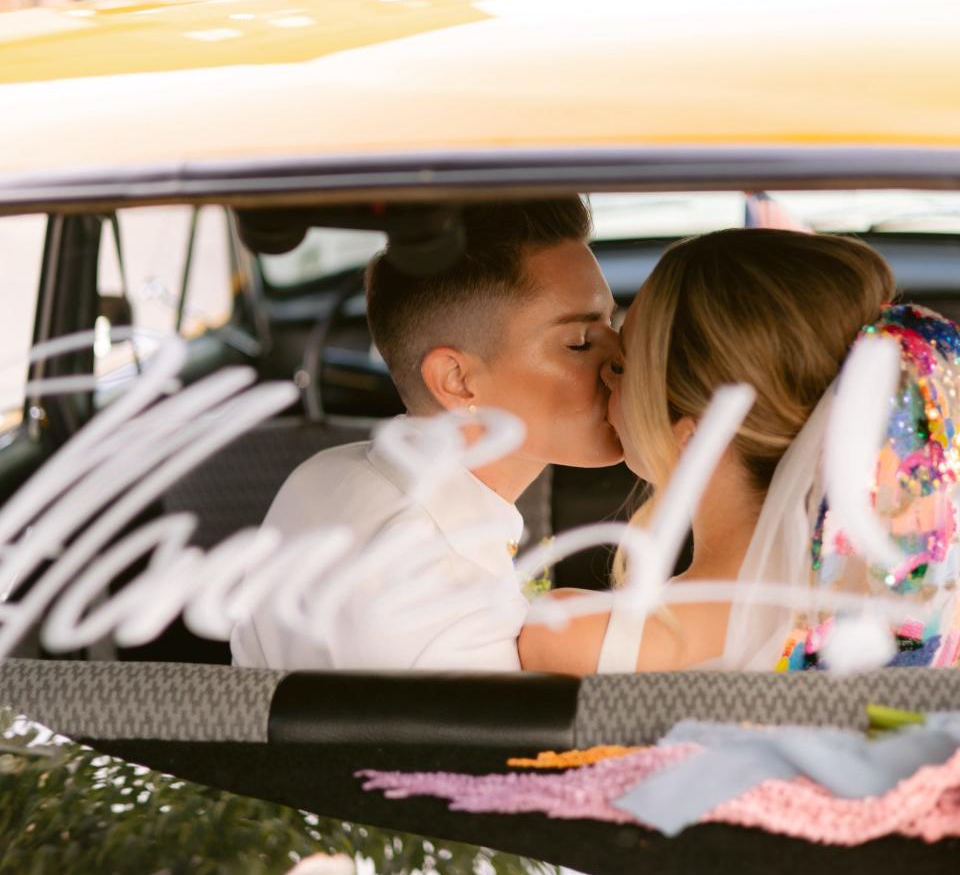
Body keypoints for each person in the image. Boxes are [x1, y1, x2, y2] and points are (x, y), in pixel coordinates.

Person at [520, 227, 960, 675]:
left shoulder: (569, 636)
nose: (606, 376)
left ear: (696, 440)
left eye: (625, 365)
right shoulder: (928, 635)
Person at [231, 198, 621, 672]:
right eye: (579, 342)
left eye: (612, 325)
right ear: (457, 380)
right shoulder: (448, 596)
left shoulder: (319, 476)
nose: (622, 359)